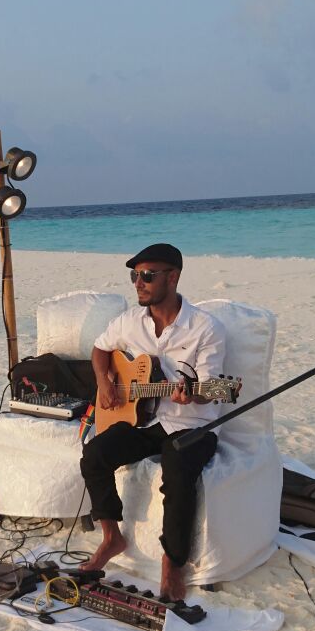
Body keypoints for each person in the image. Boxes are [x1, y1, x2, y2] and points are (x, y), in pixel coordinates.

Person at [79, 243, 226, 601]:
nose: (138, 283)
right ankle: (112, 536)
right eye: (134, 276)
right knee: (94, 454)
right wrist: (104, 381)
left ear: (172, 277)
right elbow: (100, 348)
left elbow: (214, 389)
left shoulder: (206, 328)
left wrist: (193, 392)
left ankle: (172, 563)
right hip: (146, 420)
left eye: (147, 275)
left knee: (177, 469)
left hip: (194, 423)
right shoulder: (130, 321)